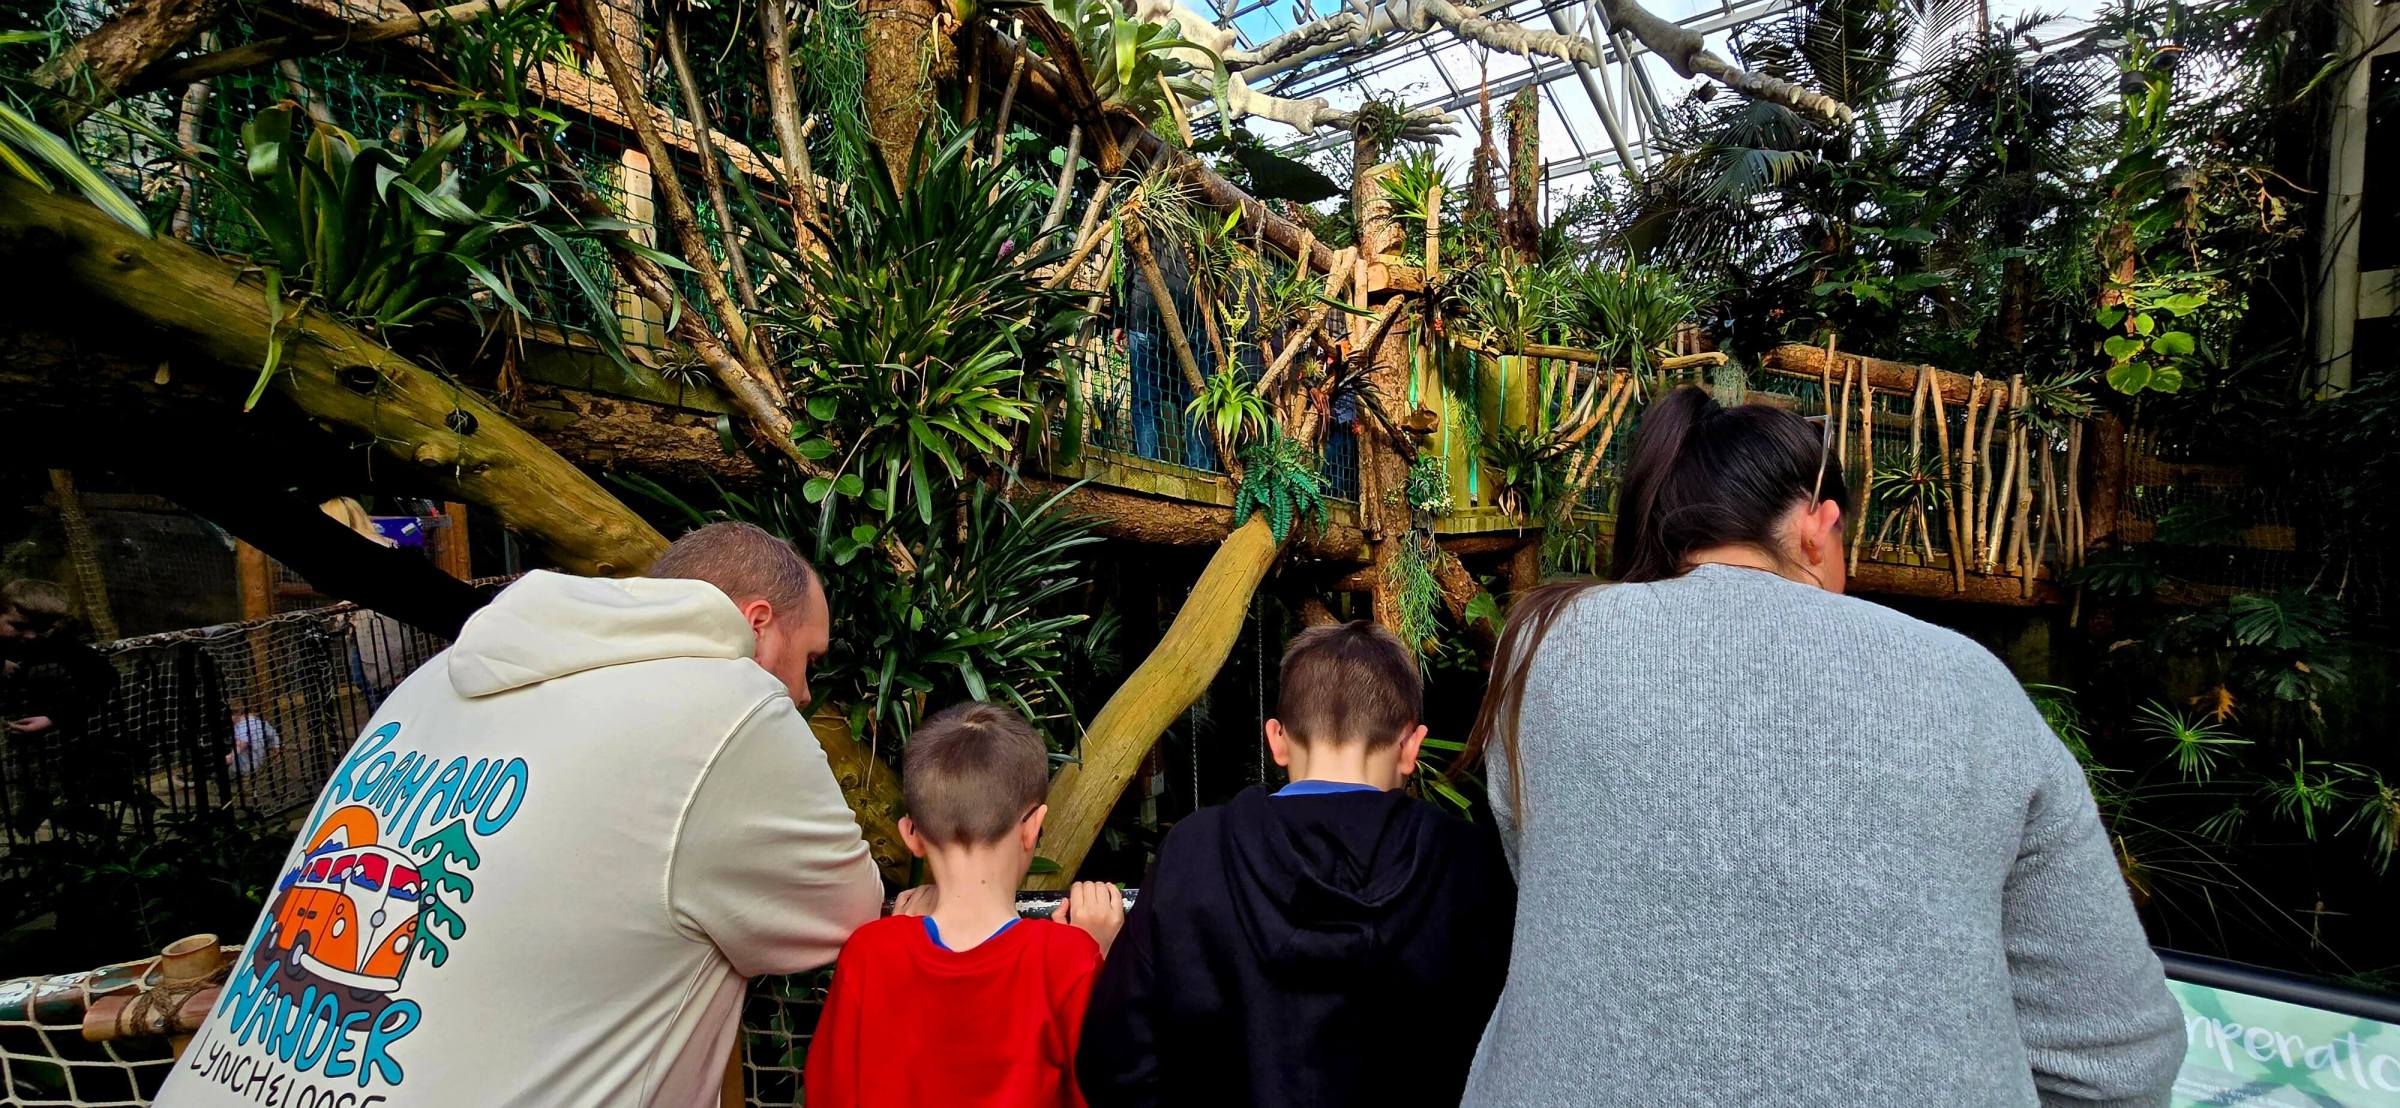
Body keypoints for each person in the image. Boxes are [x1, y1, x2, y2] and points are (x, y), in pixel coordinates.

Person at [1457, 386, 2184, 1107]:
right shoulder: (1968, 681)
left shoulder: (1544, 646)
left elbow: (1549, 868)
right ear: (1818, 524)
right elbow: (2117, 1057)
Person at [155, 521, 883, 1108]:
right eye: (808, 660)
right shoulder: (730, 703)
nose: (804, 695)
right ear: (759, 628)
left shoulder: (434, 678)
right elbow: (848, 908)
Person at [1077, 621, 1515, 1108]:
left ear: (1277, 740)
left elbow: (1115, 1059)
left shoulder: (1193, 853)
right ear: (1411, 746)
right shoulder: (1466, 864)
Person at [805, 701, 1125, 1108]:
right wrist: (1100, 955)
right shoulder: (1068, 960)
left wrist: (895, 940)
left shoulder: (869, 954)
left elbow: (829, 1093)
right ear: (1033, 827)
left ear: (911, 834)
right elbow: (1104, 1088)